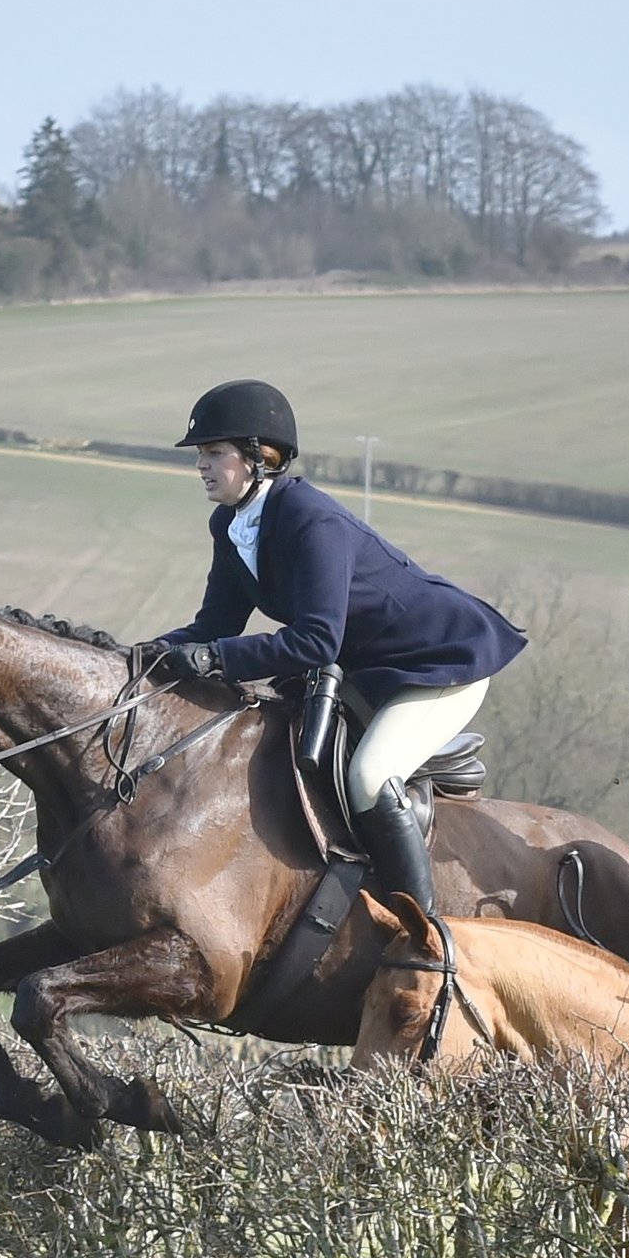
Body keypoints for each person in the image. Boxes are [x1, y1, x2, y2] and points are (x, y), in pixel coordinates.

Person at [146, 379, 525, 910]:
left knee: (369, 777)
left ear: (260, 457)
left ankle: (423, 933)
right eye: (201, 455)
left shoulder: (309, 518)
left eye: (214, 453)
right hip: (371, 668)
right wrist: (146, 656)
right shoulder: (230, 524)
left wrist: (216, 659)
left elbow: (317, 640)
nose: (202, 466)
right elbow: (215, 622)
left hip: (440, 661)